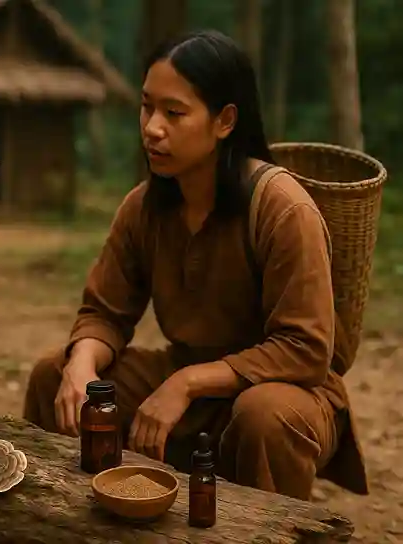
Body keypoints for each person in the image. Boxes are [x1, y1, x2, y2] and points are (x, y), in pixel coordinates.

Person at [23, 30, 367, 500]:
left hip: (284, 393)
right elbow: (105, 312)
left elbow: (305, 350)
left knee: (263, 414)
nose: (152, 127)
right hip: (188, 377)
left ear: (225, 121)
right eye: (147, 107)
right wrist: (80, 365)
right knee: (53, 376)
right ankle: (69, 520)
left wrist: (188, 383)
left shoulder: (283, 208)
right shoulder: (143, 207)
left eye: (174, 113)